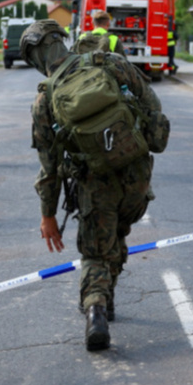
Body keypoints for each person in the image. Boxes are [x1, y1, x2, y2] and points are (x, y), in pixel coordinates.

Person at [22, 19, 170, 352]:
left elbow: (50, 170)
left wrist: (48, 216)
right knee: (116, 234)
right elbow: (152, 106)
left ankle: (96, 308)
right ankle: (107, 297)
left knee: (94, 251)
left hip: (95, 182)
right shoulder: (111, 63)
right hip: (136, 176)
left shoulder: (44, 102)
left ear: (34, 58)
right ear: (62, 39)